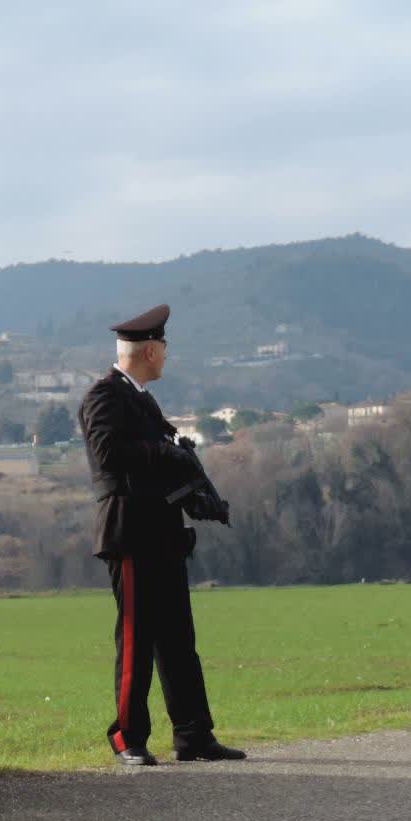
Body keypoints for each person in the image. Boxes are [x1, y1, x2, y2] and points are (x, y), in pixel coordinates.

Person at [77, 304, 245, 767]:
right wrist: (164, 453)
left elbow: (153, 461)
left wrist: (193, 492)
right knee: (136, 639)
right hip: (130, 534)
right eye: (164, 348)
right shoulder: (105, 396)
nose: (167, 356)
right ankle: (127, 738)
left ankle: (194, 735)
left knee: (177, 639)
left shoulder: (142, 399)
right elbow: (110, 455)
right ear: (150, 350)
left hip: (163, 532)